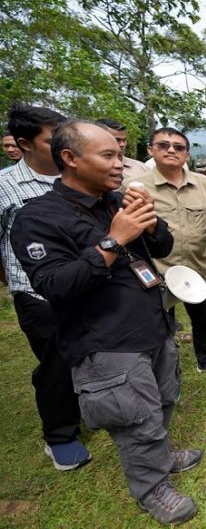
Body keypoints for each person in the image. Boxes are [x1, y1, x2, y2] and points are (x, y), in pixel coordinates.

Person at [11, 120, 200, 524]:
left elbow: (161, 247)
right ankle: (152, 489)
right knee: (134, 417)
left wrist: (150, 222)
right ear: (71, 158)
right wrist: (114, 241)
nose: (120, 163)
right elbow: (54, 284)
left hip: (152, 323)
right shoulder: (37, 218)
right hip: (106, 342)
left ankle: (162, 456)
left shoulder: (115, 201)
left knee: (163, 400)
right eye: (109, 155)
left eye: (120, 153)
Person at [0, 104, 91, 471]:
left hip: (85, 284)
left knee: (89, 352)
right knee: (55, 362)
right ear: (24, 144)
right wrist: (13, 279)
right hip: (38, 294)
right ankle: (61, 436)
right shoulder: (6, 187)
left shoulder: (77, 177)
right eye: (51, 141)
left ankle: (92, 408)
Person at [125, 127, 206, 374]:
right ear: (150, 150)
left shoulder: (203, 184)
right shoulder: (133, 187)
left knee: (203, 317)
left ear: (186, 153)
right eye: (163, 145)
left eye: (178, 147)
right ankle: (165, 369)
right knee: (160, 322)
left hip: (198, 266)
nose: (171, 151)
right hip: (158, 270)